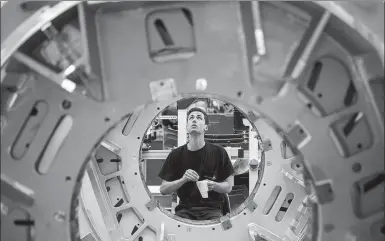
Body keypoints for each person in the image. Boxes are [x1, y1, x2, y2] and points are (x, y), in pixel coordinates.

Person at [158, 106, 235, 220]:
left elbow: (228, 187)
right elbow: (163, 189)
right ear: (187, 127)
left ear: (206, 127)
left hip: (213, 211)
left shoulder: (219, 152)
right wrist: (183, 180)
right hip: (184, 211)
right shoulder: (175, 155)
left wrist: (214, 185)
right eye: (191, 118)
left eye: (199, 118)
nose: (194, 120)